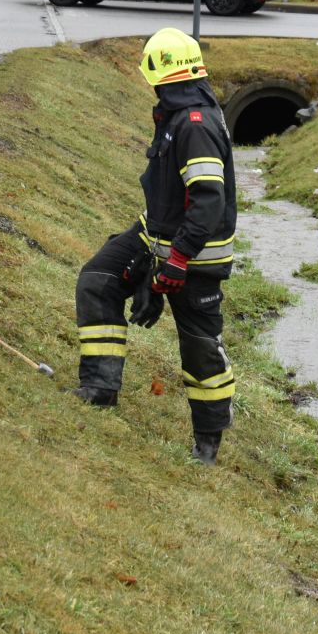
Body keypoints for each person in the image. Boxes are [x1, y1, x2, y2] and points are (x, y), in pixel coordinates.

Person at [70, 28, 238, 465]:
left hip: (195, 258)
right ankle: (99, 388)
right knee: (98, 280)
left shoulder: (194, 124)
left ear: (159, 75)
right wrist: (150, 266)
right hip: (156, 239)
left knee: (199, 348)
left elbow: (207, 200)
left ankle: (208, 440)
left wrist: (177, 262)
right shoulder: (176, 113)